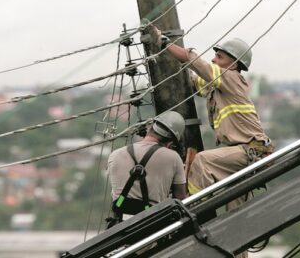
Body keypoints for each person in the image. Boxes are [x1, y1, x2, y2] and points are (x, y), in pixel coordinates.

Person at [146, 23, 274, 213]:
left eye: (219, 57)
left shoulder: (231, 78)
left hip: (249, 150)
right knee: (235, 204)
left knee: (202, 161)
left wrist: (164, 42)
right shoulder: (219, 85)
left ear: (234, 64)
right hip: (241, 153)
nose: (214, 60)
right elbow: (195, 81)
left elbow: (195, 61)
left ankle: (195, 208)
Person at [106, 111, 187, 227]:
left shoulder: (115, 155)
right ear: (170, 143)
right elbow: (181, 199)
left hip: (120, 228)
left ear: (149, 129)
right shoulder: (173, 157)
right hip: (152, 225)